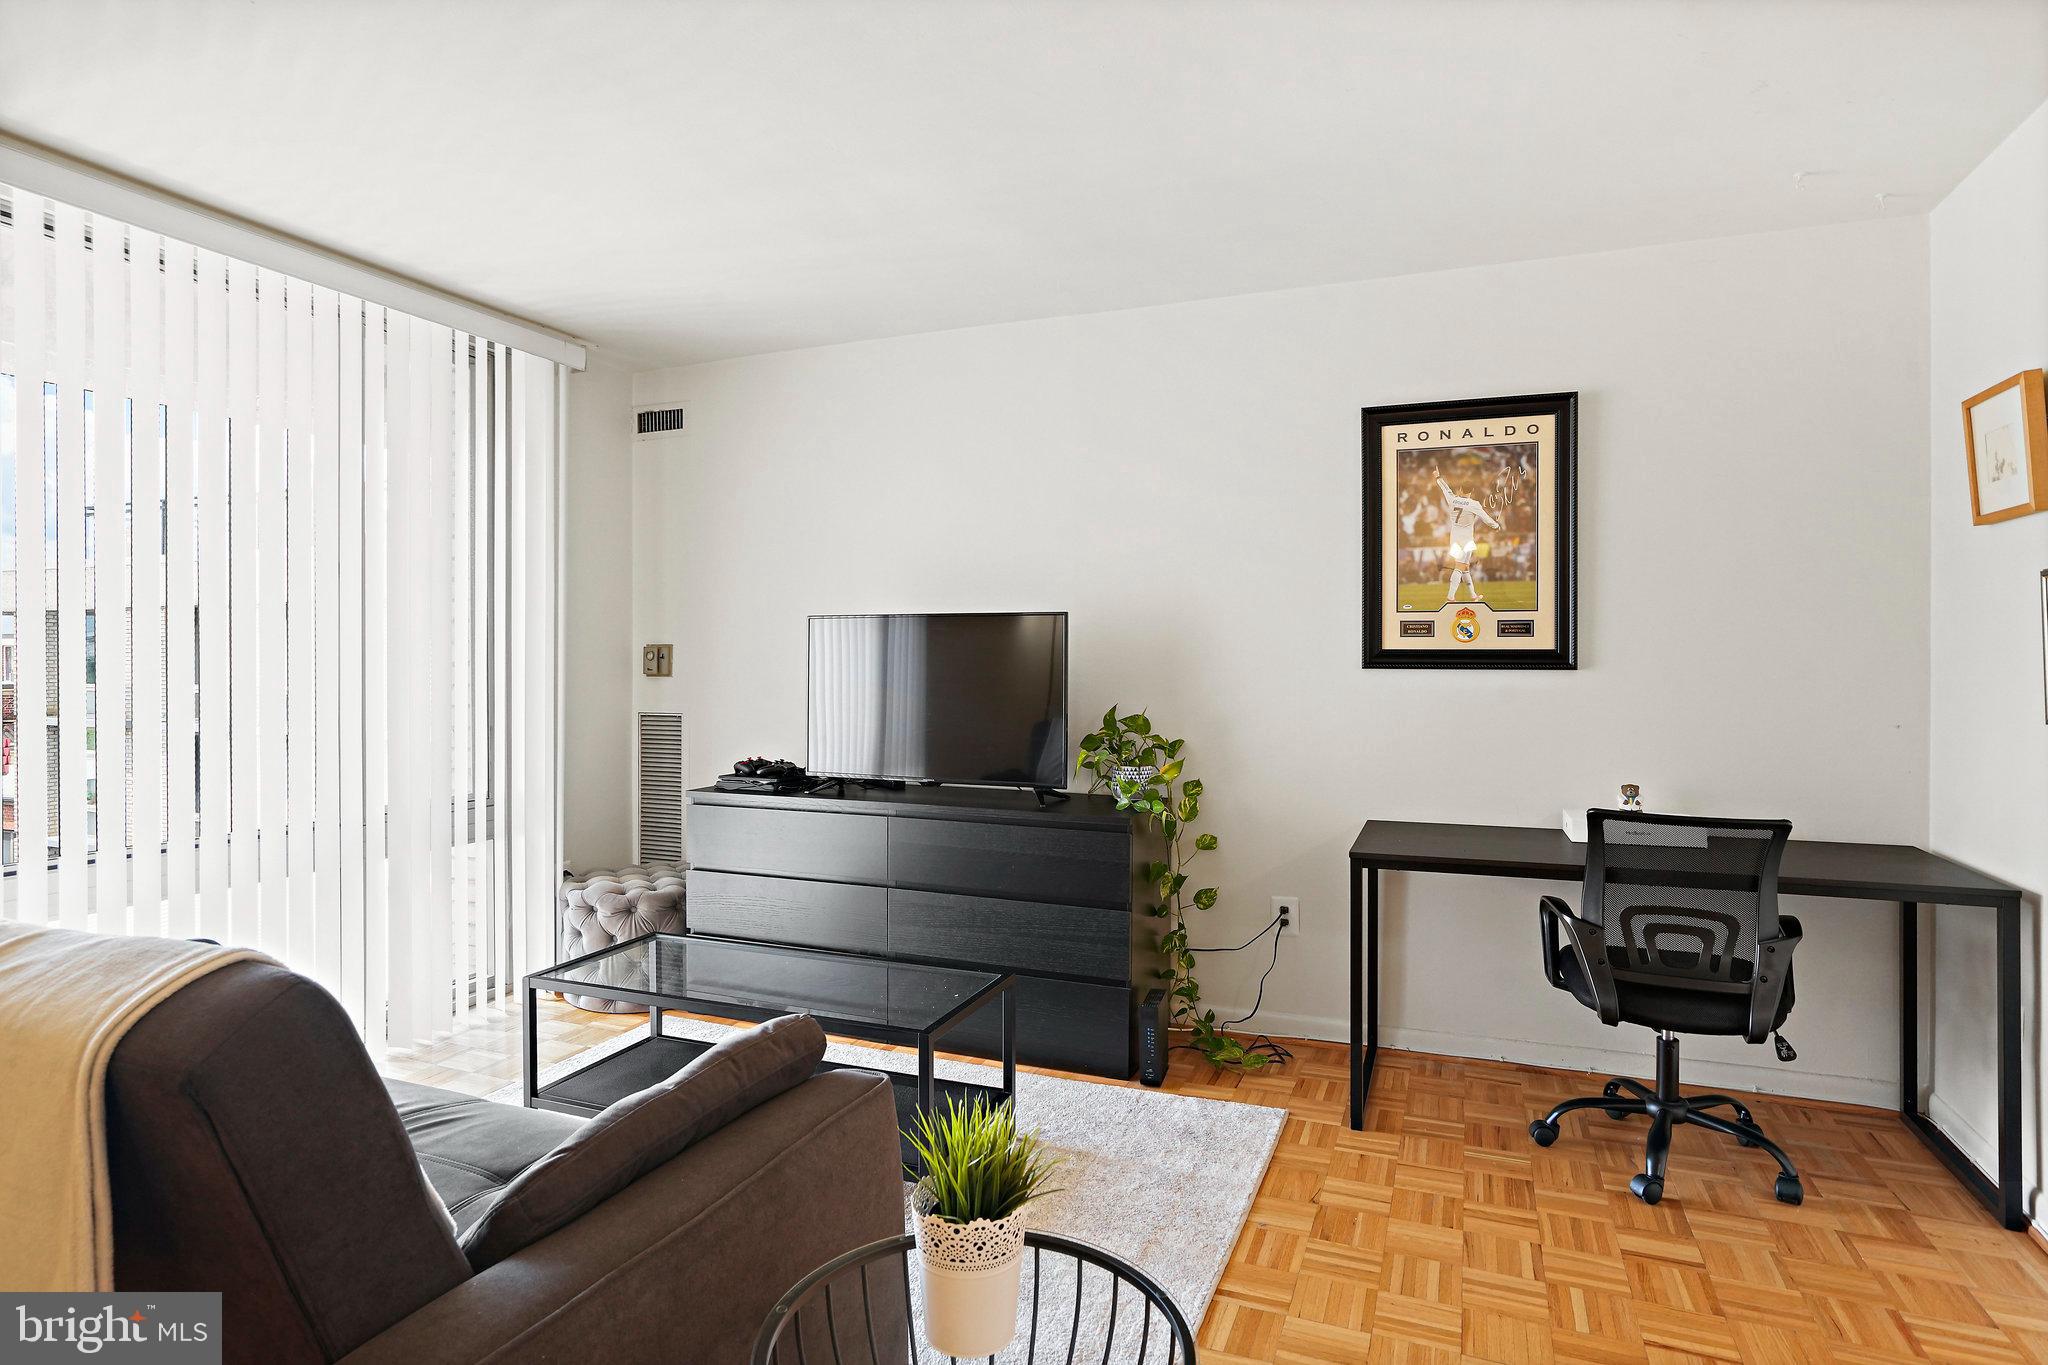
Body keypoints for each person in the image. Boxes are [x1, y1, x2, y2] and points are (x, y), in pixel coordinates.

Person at [1436, 475, 1500, 604]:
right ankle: (1450, 597)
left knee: (1465, 567)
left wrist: (1438, 477)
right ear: (1471, 491)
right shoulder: (1474, 504)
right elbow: (1486, 518)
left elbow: (1445, 489)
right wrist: (1496, 525)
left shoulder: (1452, 499)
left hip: (1454, 539)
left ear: (1460, 489)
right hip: (1467, 541)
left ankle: (1473, 595)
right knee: (1460, 566)